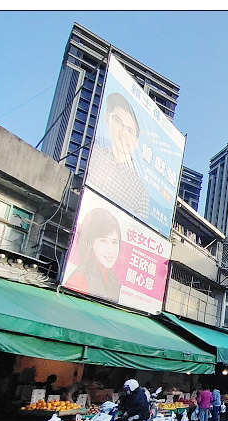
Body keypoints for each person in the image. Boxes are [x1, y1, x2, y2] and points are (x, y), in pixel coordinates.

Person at [85, 92, 150, 221]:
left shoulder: (140, 190)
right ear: (107, 119)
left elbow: (137, 227)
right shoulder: (94, 154)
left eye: (130, 130)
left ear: (136, 142)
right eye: (118, 121)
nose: (123, 133)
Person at [64, 207, 122, 302]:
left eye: (115, 242)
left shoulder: (114, 281)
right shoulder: (80, 277)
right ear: (91, 243)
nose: (110, 250)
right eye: (103, 241)